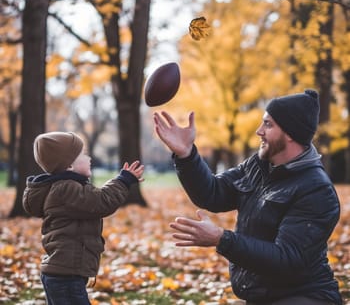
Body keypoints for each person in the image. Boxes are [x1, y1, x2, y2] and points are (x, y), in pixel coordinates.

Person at [153, 89, 342, 305]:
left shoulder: (316, 190)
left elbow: (286, 259)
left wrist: (222, 239)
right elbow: (213, 193)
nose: (259, 131)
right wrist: (186, 155)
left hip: (306, 297)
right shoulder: (258, 166)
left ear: (290, 133)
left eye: (268, 125)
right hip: (262, 297)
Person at [23, 131, 144, 305]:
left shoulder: (65, 187)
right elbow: (101, 202)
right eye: (84, 155)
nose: (89, 158)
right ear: (69, 166)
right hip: (66, 276)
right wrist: (123, 181)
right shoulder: (66, 189)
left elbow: (95, 199)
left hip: (62, 273)